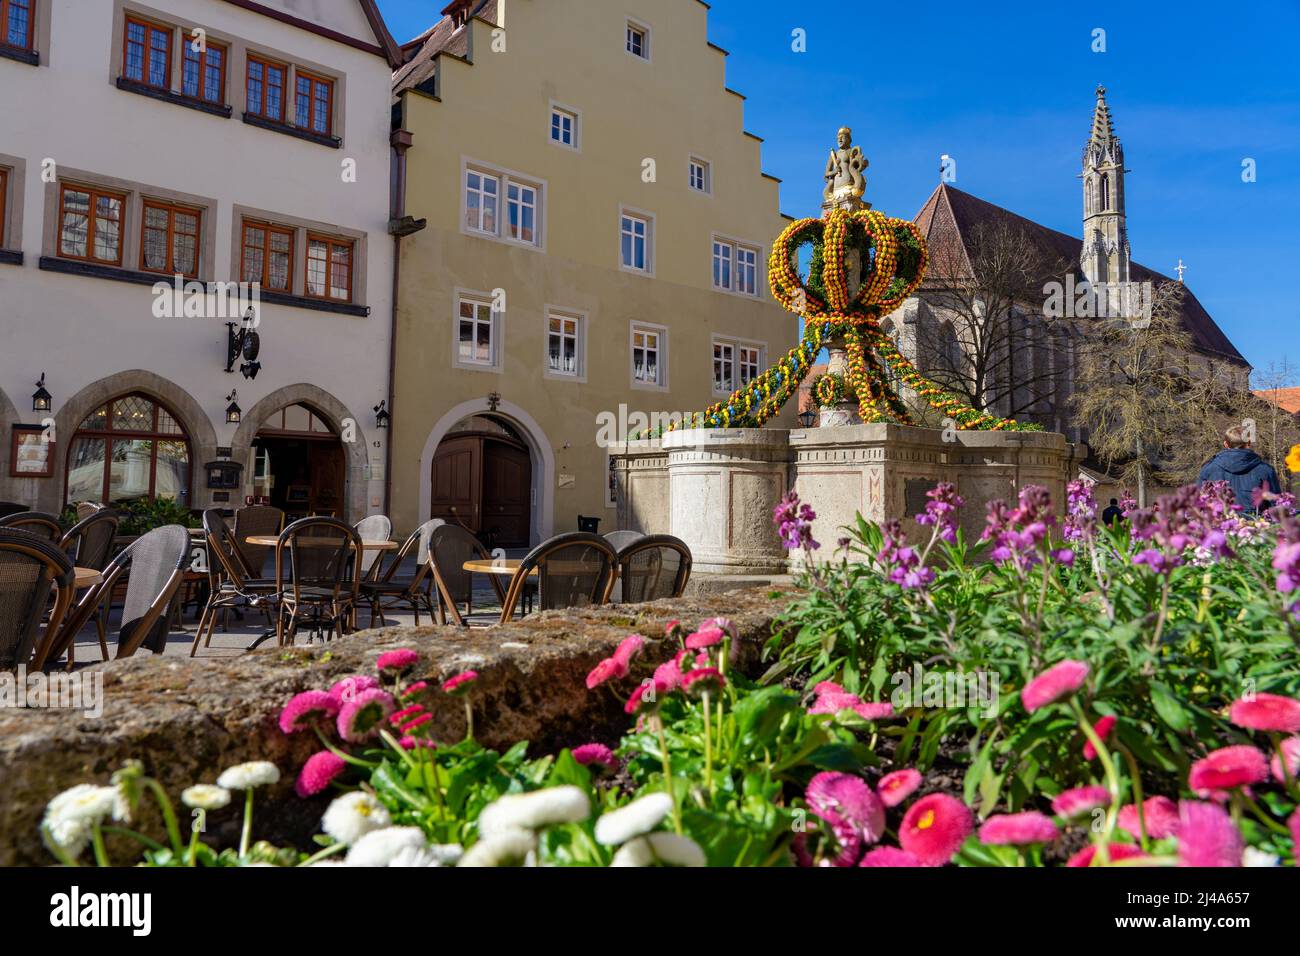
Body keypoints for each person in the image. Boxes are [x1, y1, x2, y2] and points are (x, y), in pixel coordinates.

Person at [1198, 426, 1281, 513]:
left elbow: (1198, 503)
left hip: (1220, 524)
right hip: (1256, 524)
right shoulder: (1265, 470)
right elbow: (1277, 506)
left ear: (1226, 444)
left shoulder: (1209, 469)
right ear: (1248, 443)